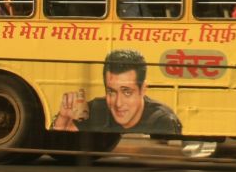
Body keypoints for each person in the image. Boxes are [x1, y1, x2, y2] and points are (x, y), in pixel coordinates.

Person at [51, 48, 182, 135]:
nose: (118, 103)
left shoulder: (161, 120)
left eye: (127, 92)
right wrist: (63, 118)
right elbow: (61, 144)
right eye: (112, 92)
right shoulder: (96, 109)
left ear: (143, 90)